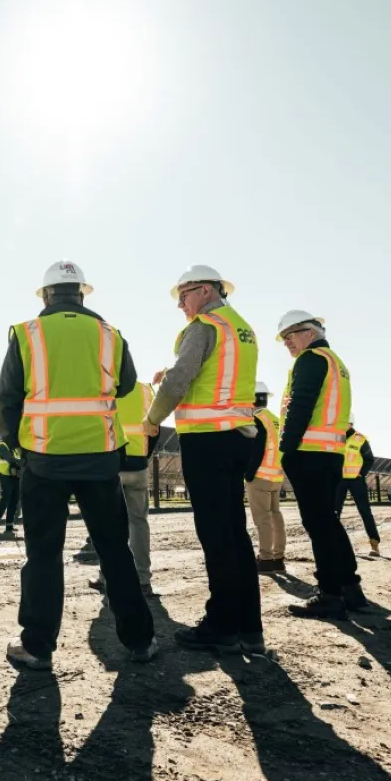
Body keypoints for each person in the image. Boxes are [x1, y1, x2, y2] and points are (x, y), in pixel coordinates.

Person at [0, 262, 157, 669]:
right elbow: (125, 386)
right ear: (82, 294)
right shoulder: (109, 334)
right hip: (100, 459)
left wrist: (18, 448)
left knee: (44, 556)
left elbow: (9, 399)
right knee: (115, 552)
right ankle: (140, 641)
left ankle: (37, 647)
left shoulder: (26, 333)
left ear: (47, 295)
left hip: (44, 460)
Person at [146, 265, 260, 655]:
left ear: (208, 291)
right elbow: (215, 378)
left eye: (185, 295)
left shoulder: (203, 326)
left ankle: (221, 625)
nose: (181, 305)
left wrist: (151, 420)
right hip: (236, 439)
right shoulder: (241, 328)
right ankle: (249, 627)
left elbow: (181, 380)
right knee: (236, 534)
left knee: (216, 536)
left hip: (208, 443)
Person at [275, 310, 366, 620]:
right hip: (329, 452)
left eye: (291, 333)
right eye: (283, 337)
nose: (286, 340)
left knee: (319, 524)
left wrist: (285, 449)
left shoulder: (310, 360)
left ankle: (330, 594)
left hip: (309, 452)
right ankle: (350, 587)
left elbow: (301, 405)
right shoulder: (336, 363)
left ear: (311, 333)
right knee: (328, 521)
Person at [89, 379, 158, 598]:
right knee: (139, 522)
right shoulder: (146, 391)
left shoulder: (102, 387)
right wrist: (144, 456)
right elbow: (155, 429)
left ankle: (106, 577)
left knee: (108, 525)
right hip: (137, 465)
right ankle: (143, 579)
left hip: (110, 465)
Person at [246, 381, 287, 573]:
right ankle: (278, 558)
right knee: (275, 516)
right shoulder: (275, 419)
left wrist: (249, 473)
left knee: (262, 519)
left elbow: (257, 447)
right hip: (276, 476)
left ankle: (265, 559)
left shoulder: (255, 418)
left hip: (260, 476)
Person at [336, 417, 379, 556]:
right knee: (334, 512)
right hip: (339, 481)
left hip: (356, 480)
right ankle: (333, 544)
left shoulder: (360, 439)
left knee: (365, 511)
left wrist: (361, 474)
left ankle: (374, 544)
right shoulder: (335, 438)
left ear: (351, 423)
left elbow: (369, 459)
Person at [0, 437, 21, 534]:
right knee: (5, 498)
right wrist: (21, 462)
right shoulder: (2, 445)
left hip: (15, 475)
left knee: (14, 500)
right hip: (5, 475)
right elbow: (9, 458)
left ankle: (9, 526)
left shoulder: (14, 448)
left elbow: (17, 459)